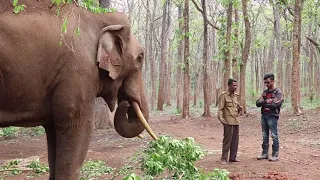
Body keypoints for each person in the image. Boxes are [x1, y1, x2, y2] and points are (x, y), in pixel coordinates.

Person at [256, 74, 283, 161]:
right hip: (264, 115)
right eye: (265, 83)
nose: (266, 84)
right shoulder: (265, 92)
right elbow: (257, 103)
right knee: (264, 135)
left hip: (272, 116)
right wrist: (266, 101)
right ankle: (264, 153)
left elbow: (275, 104)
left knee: (274, 135)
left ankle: (275, 155)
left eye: (268, 82)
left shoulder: (278, 92)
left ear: (272, 81)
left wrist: (265, 103)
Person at [218, 78, 243, 165]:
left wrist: (240, 109)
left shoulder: (236, 96)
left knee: (235, 140)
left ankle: (233, 157)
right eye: (234, 85)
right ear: (229, 86)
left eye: (236, 85)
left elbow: (236, 108)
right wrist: (220, 118)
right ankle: (224, 158)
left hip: (236, 121)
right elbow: (220, 109)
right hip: (228, 121)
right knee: (227, 140)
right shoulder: (223, 96)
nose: (235, 87)